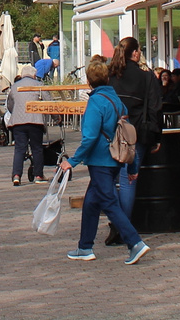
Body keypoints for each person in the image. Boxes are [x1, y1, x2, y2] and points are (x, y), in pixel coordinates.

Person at [59, 56, 149, 265]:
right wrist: (133, 166)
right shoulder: (118, 102)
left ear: (89, 81)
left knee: (108, 202)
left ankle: (135, 242)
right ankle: (84, 247)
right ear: (108, 79)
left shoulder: (95, 102)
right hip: (116, 159)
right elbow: (128, 138)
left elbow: (89, 137)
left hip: (100, 161)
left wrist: (72, 161)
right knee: (91, 202)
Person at [106, 37, 161, 246]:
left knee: (108, 179)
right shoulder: (146, 77)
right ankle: (123, 226)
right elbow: (155, 107)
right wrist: (156, 136)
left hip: (110, 133)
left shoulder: (110, 76)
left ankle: (116, 222)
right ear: (136, 53)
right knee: (129, 179)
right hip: (135, 134)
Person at [5, 64, 47, 186]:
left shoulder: (14, 86)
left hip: (18, 122)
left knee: (19, 149)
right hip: (35, 120)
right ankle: (38, 175)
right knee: (37, 148)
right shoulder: (39, 85)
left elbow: (10, 105)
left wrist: (17, 113)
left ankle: (16, 175)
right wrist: (56, 117)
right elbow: (48, 101)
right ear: (34, 75)